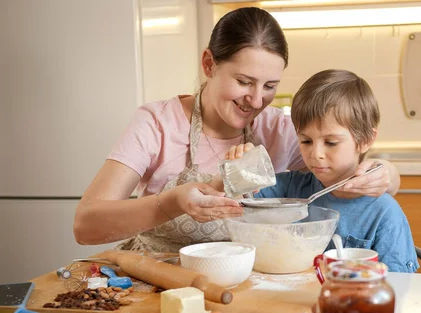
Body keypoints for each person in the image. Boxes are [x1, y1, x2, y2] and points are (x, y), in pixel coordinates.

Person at [73, 7, 402, 253]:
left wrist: (385, 173)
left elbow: (335, 183)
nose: (256, 100)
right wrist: (171, 203)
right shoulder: (157, 123)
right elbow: (85, 226)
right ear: (208, 65)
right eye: (244, 82)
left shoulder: (280, 130)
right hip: (158, 280)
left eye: (270, 85)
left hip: (243, 287)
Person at [232, 69, 418, 272]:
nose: (316, 153)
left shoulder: (384, 213)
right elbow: (240, 199)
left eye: (330, 142)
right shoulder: (290, 188)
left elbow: (398, 285)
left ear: (365, 140)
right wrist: (242, 166)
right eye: (306, 141)